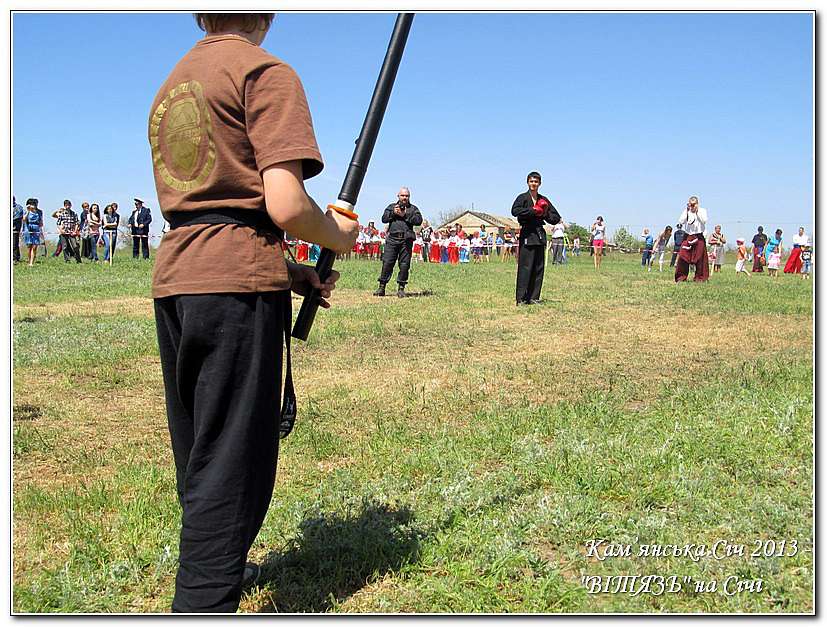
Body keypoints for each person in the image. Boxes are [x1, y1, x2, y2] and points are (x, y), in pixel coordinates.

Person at [149, 13, 358, 613]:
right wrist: (337, 236)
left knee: (201, 452)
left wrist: (288, 271)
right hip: (234, 287)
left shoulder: (176, 80)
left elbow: (211, 205)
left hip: (179, 276)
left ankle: (211, 564)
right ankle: (205, 604)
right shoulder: (264, 71)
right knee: (232, 464)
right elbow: (287, 204)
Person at [511, 171, 561, 305]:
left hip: (539, 234)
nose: (534, 184)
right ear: (527, 182)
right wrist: (533, 211)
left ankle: (534, 297)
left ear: (540, 183)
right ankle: (521, 298)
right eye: (531, 181)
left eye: (536, 182)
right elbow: (515, 211)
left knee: (538, 267)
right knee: (525, 267)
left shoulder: (543, 199)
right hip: (527, 233)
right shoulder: (522, 198)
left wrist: (544, 213)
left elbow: (556, 217)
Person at [373, 187, 423, 297]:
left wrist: (405, 215)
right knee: (387, 263)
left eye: (407, 196)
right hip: (392, 240)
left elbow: (419, 221)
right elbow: (384, 219)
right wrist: (393, 214)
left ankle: (401, 288)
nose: (404, 198)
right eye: (403, 195)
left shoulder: (413, 209)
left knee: (404, 265)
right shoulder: (391, 207)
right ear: (398, 196)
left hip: (406, 240)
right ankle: (381, 287)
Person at [675, 195, 709, 282]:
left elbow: (704, 220)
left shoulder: (702, 211)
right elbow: (681, 221)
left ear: (697, 204)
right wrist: (687, 210)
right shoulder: (687, 211)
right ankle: (681, 277)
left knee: (700, 258)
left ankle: (700, 277)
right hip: (688, 236)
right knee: (683, 256)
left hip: (698, 236)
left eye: (694, 204)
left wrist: (697, 212)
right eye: (690, 204)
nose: (692, 206)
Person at [21, 198, 43, 267]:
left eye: (35, 204)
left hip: (36, 228)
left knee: (35, 246)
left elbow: (41, 222)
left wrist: (41, 229)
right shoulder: (26, 211)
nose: (34, 205)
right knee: (29, 246)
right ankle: (29, 260)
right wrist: (28, 211)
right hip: (28, 228)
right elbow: (24, 219)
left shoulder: (39, 212)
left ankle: (32, 262)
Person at [12, 195, 24, 263]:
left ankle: (15, 258)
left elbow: (17, 218)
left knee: (14, 244)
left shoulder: (18, 208)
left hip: (14, 229)